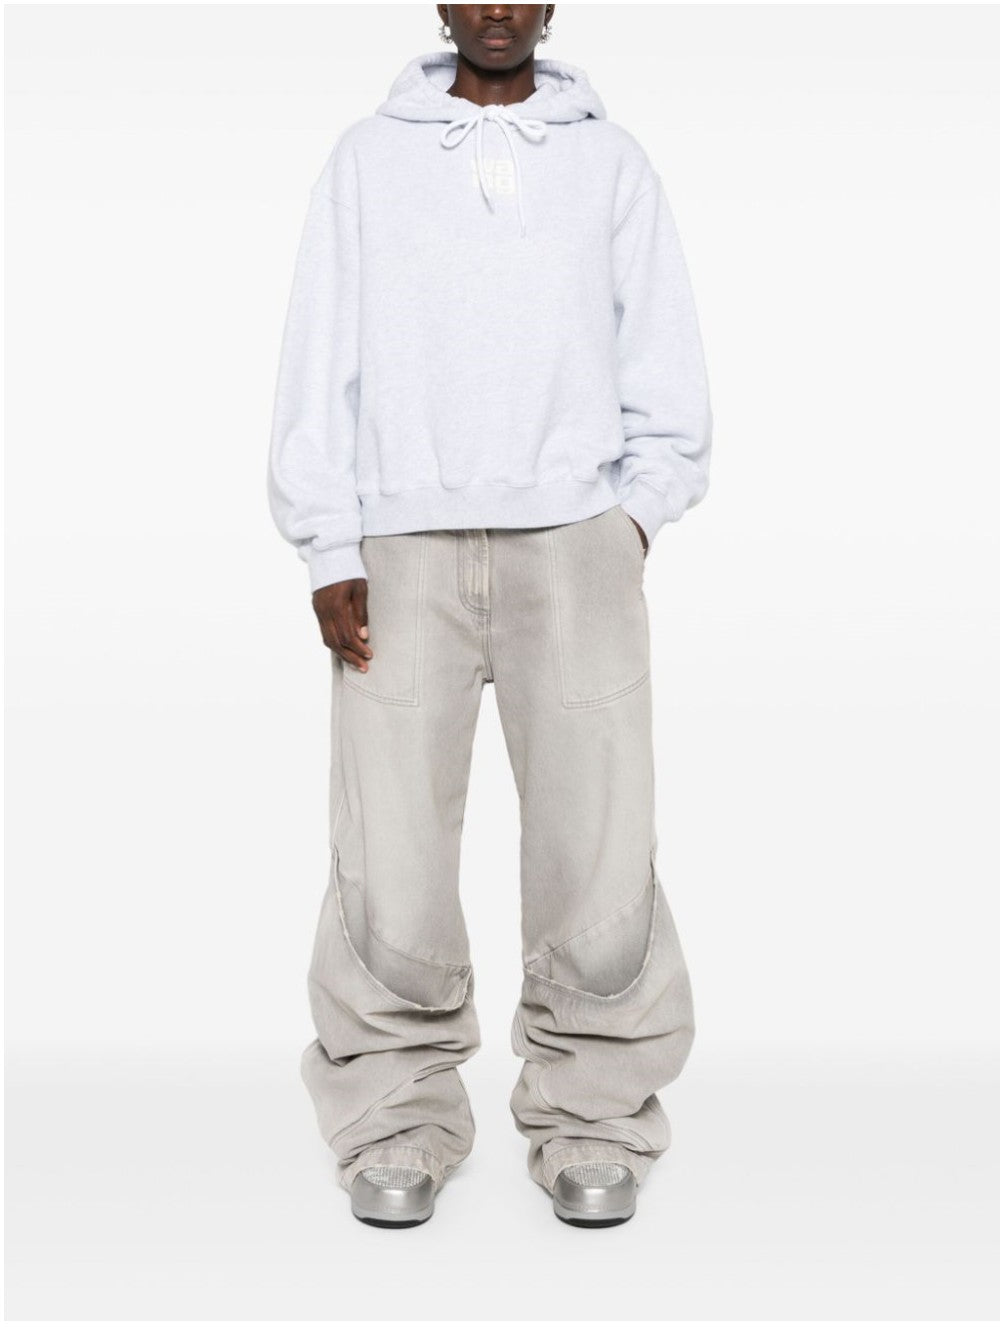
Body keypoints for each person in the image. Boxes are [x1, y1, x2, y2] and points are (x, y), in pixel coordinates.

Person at [267, 3, 712, 1229]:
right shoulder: (369, 158)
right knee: (389, 847)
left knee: (598, 841)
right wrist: (328, 544)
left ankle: (593, 1116)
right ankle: (393, 1115)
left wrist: (631, 520)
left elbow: (663, 354)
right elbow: (318, 355)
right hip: (399, 547)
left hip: (575, 544)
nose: (499, 10)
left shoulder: (609, 161)